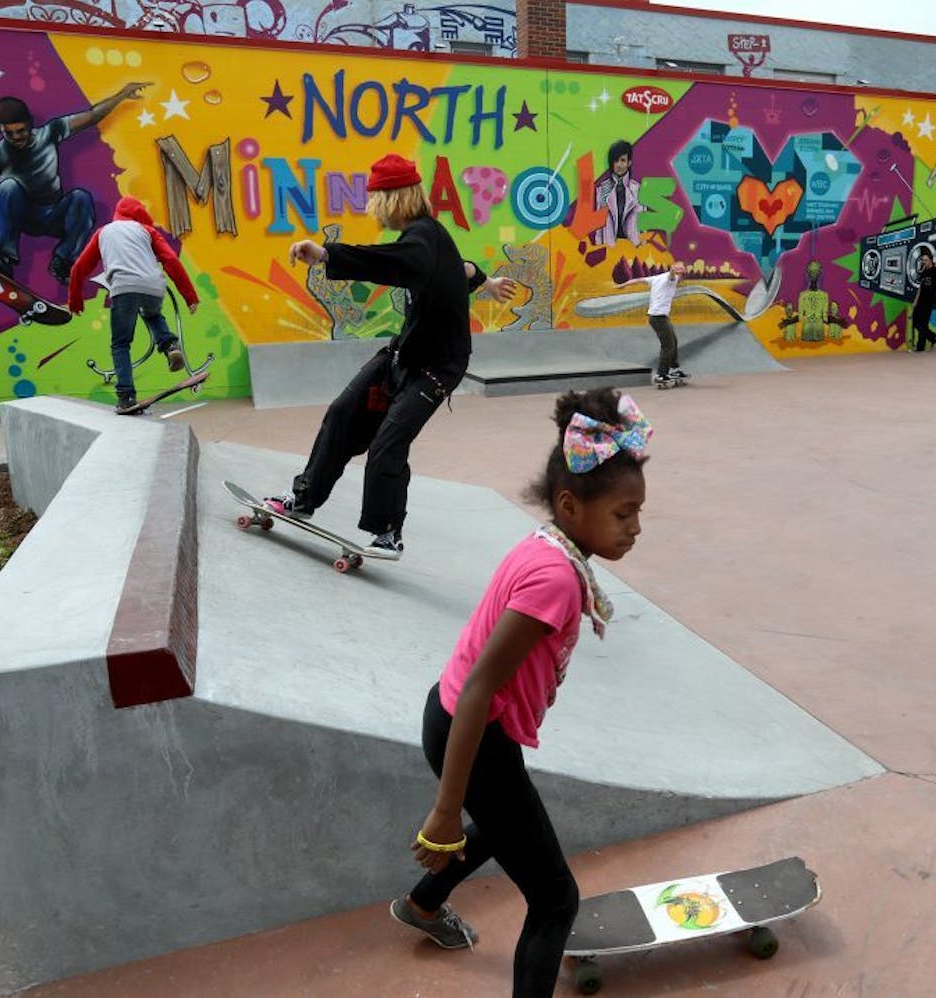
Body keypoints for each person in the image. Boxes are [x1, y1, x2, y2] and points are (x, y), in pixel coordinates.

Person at [391, 387, 650, 998]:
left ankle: (423, 907)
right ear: (570, 503)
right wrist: (446, 808)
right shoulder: (557, 579)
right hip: (473, 732)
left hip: (460, 719)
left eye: (639, 512)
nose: (636, 528)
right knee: (556, 900)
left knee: (506, 825)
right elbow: (482, 687)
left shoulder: (550, 547)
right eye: (622, 514)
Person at [271, 154, 516, 556]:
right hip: (403, 357)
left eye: (374, 201)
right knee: (343, 412)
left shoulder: (421, 238)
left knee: (388, 443)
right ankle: (304, 498)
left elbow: (388, 262)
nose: (371, 211)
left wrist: (327, 254)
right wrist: (486, 281)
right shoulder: (427, 240)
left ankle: (388, 531)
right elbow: (461, 267)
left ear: (391, 199)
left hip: (436, 369)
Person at [0, 85, 149, 284]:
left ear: (30, 124)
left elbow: (92, 116)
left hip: (52, 213)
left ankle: (63, 260)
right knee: (8, 187)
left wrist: (122, 95)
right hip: (20, 214)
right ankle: (2, 256)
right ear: (0, 130)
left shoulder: (51, 132)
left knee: (81, 198)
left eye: (20, 131)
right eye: (8, 133)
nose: (16, 138)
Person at [66, 196, 200, 413]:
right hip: (154, 287)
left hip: (124, 288)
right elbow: (171, 260)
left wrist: (75, 300)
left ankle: (126, 396)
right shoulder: (147, 231)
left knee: (121, 344)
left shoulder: (104, 232)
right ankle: (169, 346)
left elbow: (79, 268)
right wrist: (190, 297)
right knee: (153, 315)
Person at [615, 263, 689, 387]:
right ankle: (661, 374)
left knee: (673, 341)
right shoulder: (672, 278)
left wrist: (624, 285)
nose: (681, 279)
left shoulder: (656, 278)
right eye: (682, 274)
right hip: (658, 317)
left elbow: (638, 280)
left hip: (659, 317)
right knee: (668, 345)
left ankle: (674, 369)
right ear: (680, 274)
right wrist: (672, 271)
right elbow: (671, 277)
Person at [593, 140, 643, 246]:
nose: (619, 165)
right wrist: (598, 247)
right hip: (610, 250)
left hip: (633, 249)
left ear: (629, 162)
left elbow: (643, 224)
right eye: (616, 161)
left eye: (623, 160)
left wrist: (642, 246)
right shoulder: (603, 189)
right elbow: (598, 226)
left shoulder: (637, 190)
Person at [910, 246, 936, 352]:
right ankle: (932, 338)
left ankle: (921, 346)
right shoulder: (924, 272)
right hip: (920, 300)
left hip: (928, 301)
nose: (924, 262)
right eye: (922, 260)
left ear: (931, 261)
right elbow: (920, 288)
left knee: (921, 324)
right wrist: (915, 301)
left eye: (926, 260)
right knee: (917, 323)